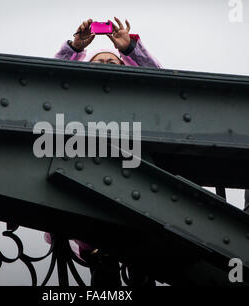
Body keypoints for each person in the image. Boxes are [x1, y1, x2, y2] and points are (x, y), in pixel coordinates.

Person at [46, 18, 162, 286]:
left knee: (140, 266)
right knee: (104, 268)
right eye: (99, 61)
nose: (107, 65)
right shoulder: (75, 96)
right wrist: (75, 47)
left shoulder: (136, 96)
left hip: (137, 188)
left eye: (113, 62)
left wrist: (131, 49)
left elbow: (160, 81)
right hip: (91, 189)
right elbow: (52, 79)